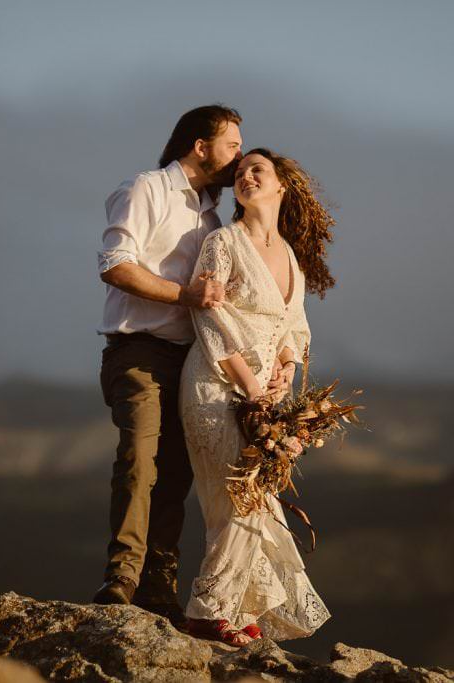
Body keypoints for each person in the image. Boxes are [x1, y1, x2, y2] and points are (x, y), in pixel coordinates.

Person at [92, 105, 246, 628]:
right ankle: (121, 580)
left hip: (191, 362)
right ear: (200, 145)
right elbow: (114, 265)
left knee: (176, 477)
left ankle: (157, 593)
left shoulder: (212, 216)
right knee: (139, 458)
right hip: (138, 349)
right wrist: (185, 295)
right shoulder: (147, 189)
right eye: (232, 145)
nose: (238, 156)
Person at [179, 148, 336, 646]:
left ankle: (237, 607)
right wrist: (250, 385)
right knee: (238, 497)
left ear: (280, 186)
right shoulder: (223, 241)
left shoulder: (289, 253)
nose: (245, 176)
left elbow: (294, 326)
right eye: (240, 172)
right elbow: (207, 315)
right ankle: (207, 612)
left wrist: (286, 369)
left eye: (257, 170)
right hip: (215, 383)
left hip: (265, 395)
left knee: (256, 498)